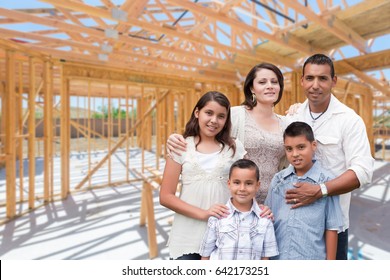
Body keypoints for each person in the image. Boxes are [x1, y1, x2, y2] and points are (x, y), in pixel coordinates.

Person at [285, 54, 374, 259]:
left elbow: (362, 172)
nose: (315, 85)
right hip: (296, 222)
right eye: (310, 78)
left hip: (332, 225)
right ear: (302, 80)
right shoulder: (293, 117)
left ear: (334, 81)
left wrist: (320, 191)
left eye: (323, 78)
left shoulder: (349, 120)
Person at [167, 63, 286, 204]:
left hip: (274, 202)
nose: (270, 86)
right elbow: (205, 131)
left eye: (274, 82)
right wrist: (175, 138)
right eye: (262, 82)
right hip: (235, 203)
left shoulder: (286, 123)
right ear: (252, 88)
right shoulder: (235, 115)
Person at [159, 91, 246, 260]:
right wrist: (204, 213)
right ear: (197, 113)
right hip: (187, 235)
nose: (214, 120)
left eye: (221, 116)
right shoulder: (181, 146)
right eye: (209, 113)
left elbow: (244, 187)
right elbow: (165, 196)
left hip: (224, 235)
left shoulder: (234, 148)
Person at [265, 121, 343, 259]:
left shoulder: (327, 182)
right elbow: (267, 221)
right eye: (289, 149)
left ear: (313, 146)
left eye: (301, 147)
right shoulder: (278, 180)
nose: (295, 154)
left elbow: (331, 228)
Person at [199, 159, 279, 260]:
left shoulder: (265, 220)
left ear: (257, 185)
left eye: (249, 183)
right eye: (236, 182)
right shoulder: (217, 216)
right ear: (229, 184)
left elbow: (265, 258)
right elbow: (205, 256)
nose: (242, 188)